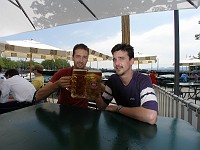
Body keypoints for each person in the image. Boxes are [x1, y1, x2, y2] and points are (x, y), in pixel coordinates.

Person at [95, 43, 158, 125]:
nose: (116, 64)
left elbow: (151, 116)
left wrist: (117, 109)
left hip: (141, 131)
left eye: (121, 59)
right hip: (121, 127)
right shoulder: (113, 80)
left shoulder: (143, 80)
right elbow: (103, 107)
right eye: (114, 59)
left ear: (131, 61)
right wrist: (96, 94)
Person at [35, 43, 90, 108]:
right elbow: (38, 96)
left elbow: (101, 105)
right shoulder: (63, 73)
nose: (81, 60)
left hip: (84, 113)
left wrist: (98, 89)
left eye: (84, 57)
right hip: (63, 113)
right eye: (78, 56)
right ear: (73, 58)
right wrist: (57, 84)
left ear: (87, 59)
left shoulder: (92, 76)